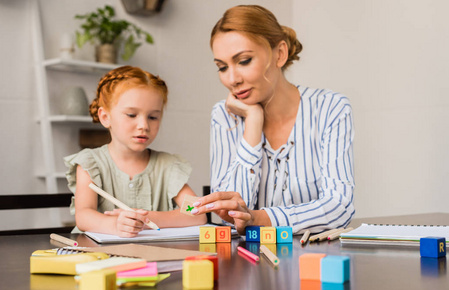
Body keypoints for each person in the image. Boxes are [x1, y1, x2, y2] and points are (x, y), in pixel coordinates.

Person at [191, 5, 355, 235]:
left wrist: (259, 218)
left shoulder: (330, 108)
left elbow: (340, 207)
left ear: (280, 54)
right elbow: (228, 214)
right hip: (249, 263)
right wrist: (253, 121)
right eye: (222, 67)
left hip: (316, 260)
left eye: (244, 61)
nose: (232, 79)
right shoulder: (223, 115)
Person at [64, 66, 206, 237]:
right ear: (105, 117)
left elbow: (196, 211)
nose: (144, 126)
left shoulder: (167, 166)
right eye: (131, 115)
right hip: (100, 259)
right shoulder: (90, 164)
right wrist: (115, 225)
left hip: (153, 258)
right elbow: (84, 216)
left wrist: (148, 219)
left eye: (153, 117)